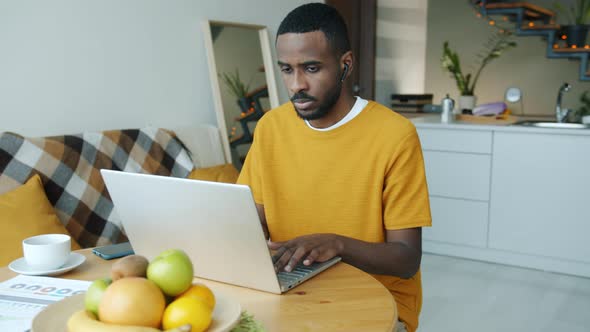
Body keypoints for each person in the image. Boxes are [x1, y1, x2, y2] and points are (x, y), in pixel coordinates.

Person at [237, 3, 431, 331]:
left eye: (311, 68)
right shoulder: (271, 127)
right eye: (286, 69)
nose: (296, 84)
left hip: (377, 299)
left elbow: (407, 259)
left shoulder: (395, 136)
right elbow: (250, 221)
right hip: (291, 289)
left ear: (345, 64)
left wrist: (337, 244)